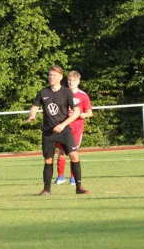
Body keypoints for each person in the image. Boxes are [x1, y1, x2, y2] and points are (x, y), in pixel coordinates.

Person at [27, 65, 88, 195]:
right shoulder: (43, 92)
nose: (51, 77)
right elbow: (34, 107)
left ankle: (79, 187)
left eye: (54, 75)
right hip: (48, 132)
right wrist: (32, 115)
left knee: (74, 155)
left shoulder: (67, 92)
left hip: (64, 130)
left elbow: (77, 111)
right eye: (50, 75)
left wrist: (63, 124)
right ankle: (46, 189)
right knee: (48, 160)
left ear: (60, 77)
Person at [54, 71, 93, 185]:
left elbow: (89, 112)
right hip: (64, 126)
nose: (71, 82)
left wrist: (83, 115)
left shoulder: (83, 96)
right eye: (69, 80)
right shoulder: (62, 93)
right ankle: (60, 177)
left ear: (78, 81)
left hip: (76, 128)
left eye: (73, 80)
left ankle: (73, 178)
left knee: (73, 152)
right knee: (61, 151)